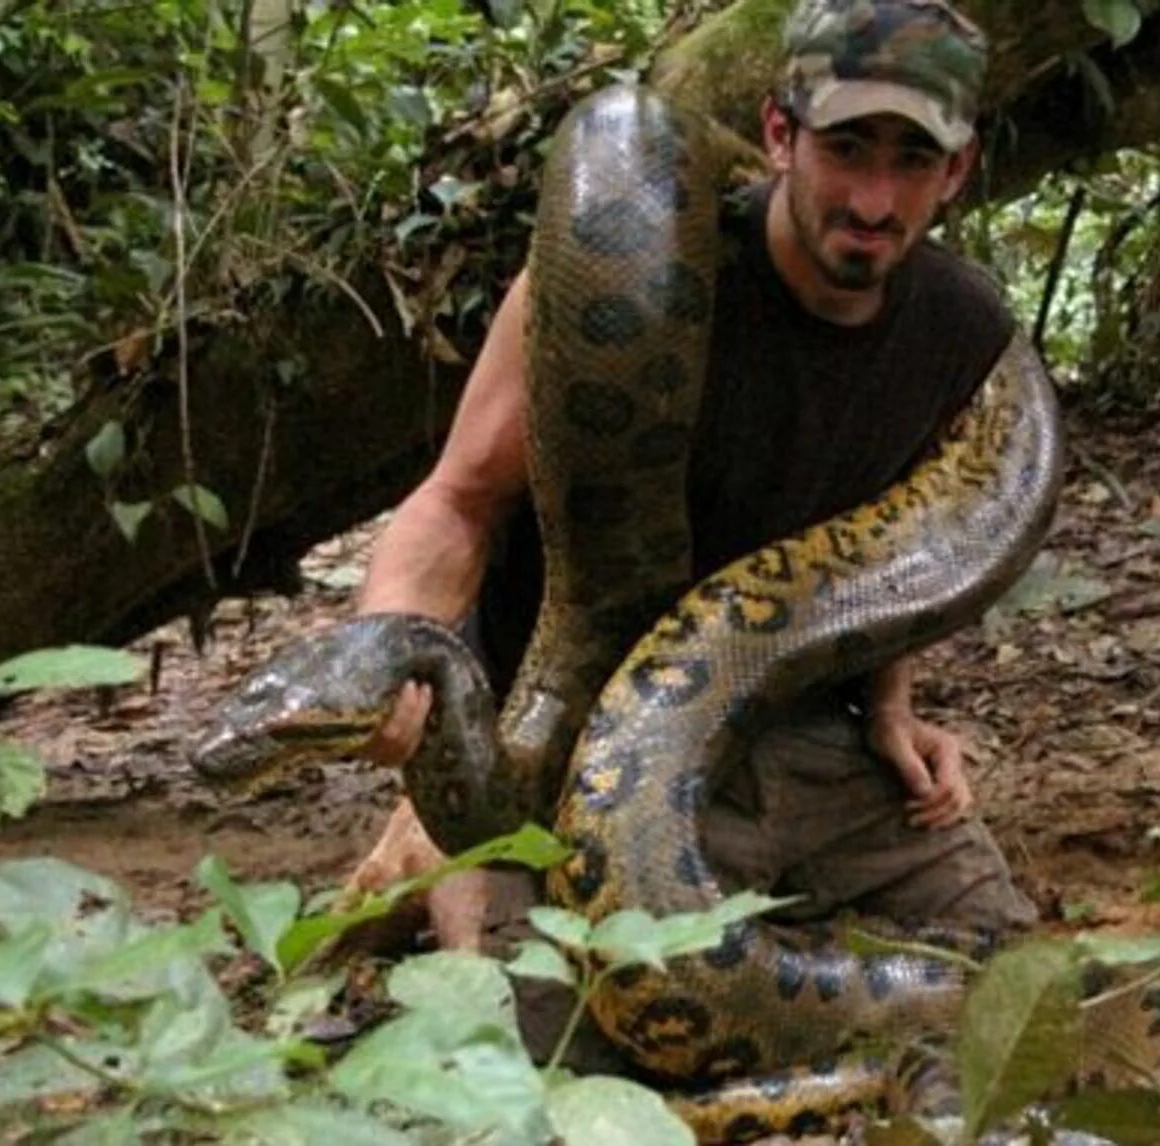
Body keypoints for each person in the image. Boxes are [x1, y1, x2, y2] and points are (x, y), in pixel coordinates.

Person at [342, 0, 1040, 961]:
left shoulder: (960, 334)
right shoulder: (615, 272)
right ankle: (440, 853)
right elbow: (456, 504)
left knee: (1003, 971)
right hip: (564, 736)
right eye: (846, 148)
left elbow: (880, 536)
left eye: (912, 161)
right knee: (563, 1043)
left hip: (780, 723)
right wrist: (384, 653)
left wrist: (890, 712)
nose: (875, 202)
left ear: (956, 171)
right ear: (779, 134)